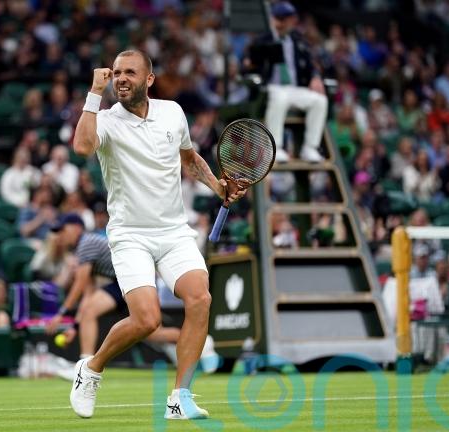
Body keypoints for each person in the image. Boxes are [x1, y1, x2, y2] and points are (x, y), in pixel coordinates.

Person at [69, 50, 245, 420]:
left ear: (149, 79)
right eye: (117, 72)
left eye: (130, 72)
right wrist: (94, 93)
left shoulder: (172, 112)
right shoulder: (104, 119)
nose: (121, 78)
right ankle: (91, 368)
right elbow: (82, 147)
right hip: (130, 235)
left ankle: (180, 398)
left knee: (200, 298)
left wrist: (218, 187)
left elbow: (189, 159)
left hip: (173, 232)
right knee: (147, 320)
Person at [45, 214, 215, 367]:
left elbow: (79, 285)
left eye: (62, 230)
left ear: (76, 228)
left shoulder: (86, 243)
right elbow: (88, 294)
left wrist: (61, 314)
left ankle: (84, 365)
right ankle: (203, 342)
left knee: (147, 329)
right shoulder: (83, 248)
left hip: (134, 278)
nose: (59, 236)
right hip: (126, 281)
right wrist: (75, 326)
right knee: (153, 334)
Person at [245, 1, 327, 162]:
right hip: (272, 87)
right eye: (280, 18)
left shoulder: (298, 40)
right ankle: (275, 147)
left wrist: (315, 76)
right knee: (280, 98)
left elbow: (311, 64)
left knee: (320, 100)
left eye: (286, 19)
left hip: (295, 89)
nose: (283, 22)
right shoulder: (264, 38)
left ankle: (310, 147)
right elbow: (252, 60)